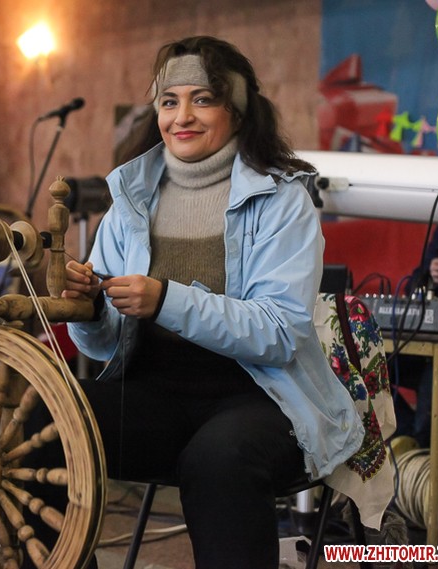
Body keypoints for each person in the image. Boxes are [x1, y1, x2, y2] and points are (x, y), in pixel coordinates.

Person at [57, 36, 386, 568]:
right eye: (169, 101)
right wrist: (93, 309)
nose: (181, 117)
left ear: (238, 109)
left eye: (203, 99)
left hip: (262, 399)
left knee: (219, 460)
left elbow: (280, 333)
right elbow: (104, 344)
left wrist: (165, 300)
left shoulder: (283, 201)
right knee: (44, 421)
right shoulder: (129, 202)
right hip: (153, 400)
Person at [394, 224, 438, 449]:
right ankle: (405, 434)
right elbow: (412, 284)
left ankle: (421, 449)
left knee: (435, 373)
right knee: (366, 364)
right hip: (428, 338)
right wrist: (431, 274)